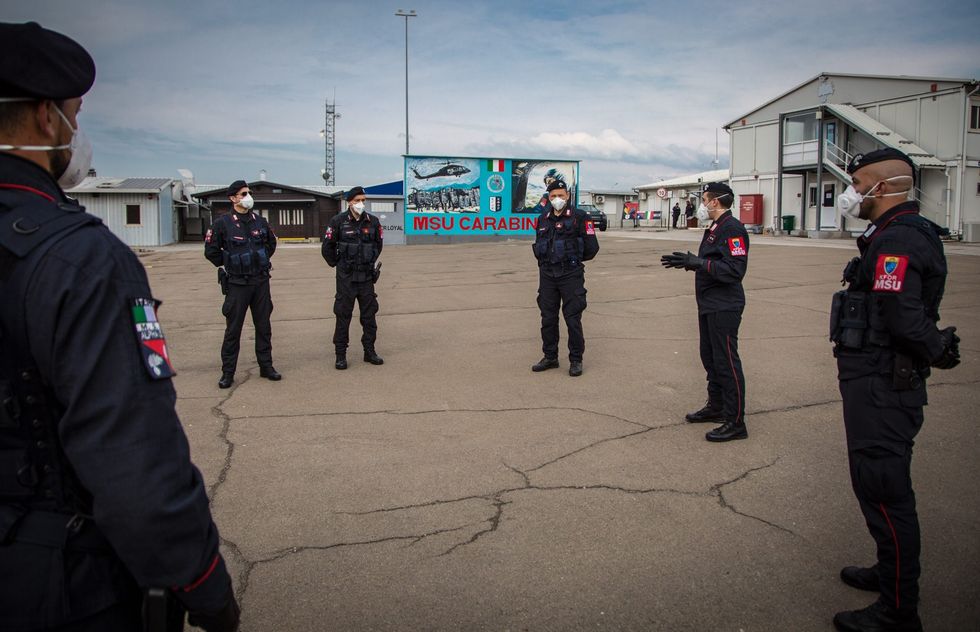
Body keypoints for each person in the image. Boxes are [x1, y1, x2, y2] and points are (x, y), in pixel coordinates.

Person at [0, 21, 239, 631]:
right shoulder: (79, 259)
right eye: (75, 114)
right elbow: (130, 453)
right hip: (51, 578)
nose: (77, 132)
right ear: (47, 119)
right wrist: (201, 582)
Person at [829, 148, 959, 632]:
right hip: (876, 377)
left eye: (857, 181)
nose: (851, 191)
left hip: (885, 382)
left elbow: (904, 318)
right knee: (875, 483)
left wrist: (938, 350)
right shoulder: (891, 233)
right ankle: (890, 573)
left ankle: (898, 610)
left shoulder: (899, 240)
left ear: (881, 188)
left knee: (885, 489)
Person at [661, 182, 749, 442]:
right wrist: (693, 264)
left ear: (715, 202)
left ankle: (735, 421)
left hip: (724, 305)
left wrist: (699, 262)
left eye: (705, 199)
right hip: (709, 303)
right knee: (710, 358)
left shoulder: (732, 228)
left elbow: (735, 270)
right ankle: (717, 406)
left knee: (726, 362)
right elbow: (715, 261)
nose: (702, 204)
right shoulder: (716, 227)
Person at [204, 180, 281, 388]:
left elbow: (271, 244)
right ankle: (228, 373)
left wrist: (258, 261)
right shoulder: (222, 223)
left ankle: (266, 367)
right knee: (233, 330)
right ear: (233, 198)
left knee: (263, 326)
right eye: (243, 193)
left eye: (249, 193)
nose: (248, 197)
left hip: (260, 282)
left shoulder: (260, 221)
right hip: (237, 284)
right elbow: (211, 252)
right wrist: (233, 263)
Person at [531, 180, 600, 377]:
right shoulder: (543, 218)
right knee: (548, 318)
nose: (557, 200)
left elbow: (592, 248)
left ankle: (576, 359)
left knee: (572, 318)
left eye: (560, 195)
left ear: (568, 196)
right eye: (553, 196)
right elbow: (540, 244)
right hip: (547, 275)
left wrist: (572, 260)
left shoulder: (581, 217)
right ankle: (550, 357)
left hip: (570, 275)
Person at [322, 186, 384, 370]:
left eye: (363, 200)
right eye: (357, 200)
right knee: (343, 316)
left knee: (369, 316)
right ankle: (340, 355)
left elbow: (377, 245)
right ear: (349, 202)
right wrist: (340, 266)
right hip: (346, 279)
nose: (361, 203)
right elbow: (327, 248)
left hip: (366, 277)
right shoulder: (338, 221)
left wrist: (368, 262)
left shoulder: (372, 221)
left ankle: (369, 352)